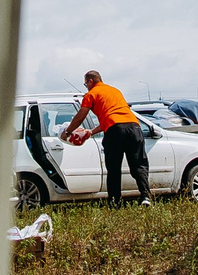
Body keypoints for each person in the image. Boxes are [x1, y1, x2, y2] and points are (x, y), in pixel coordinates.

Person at [61, 70, 151, 207]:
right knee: (138, 164)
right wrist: (91, 132)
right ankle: (146, 197)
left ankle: (115, 203)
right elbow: (112, 117)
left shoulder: (91, 95)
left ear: (90, 81)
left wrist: (68, 132)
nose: (86, 87)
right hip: (134, 127)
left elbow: (80, 117)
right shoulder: (115, 91)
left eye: (86, 84)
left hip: (115, 131)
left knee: (114, 167)